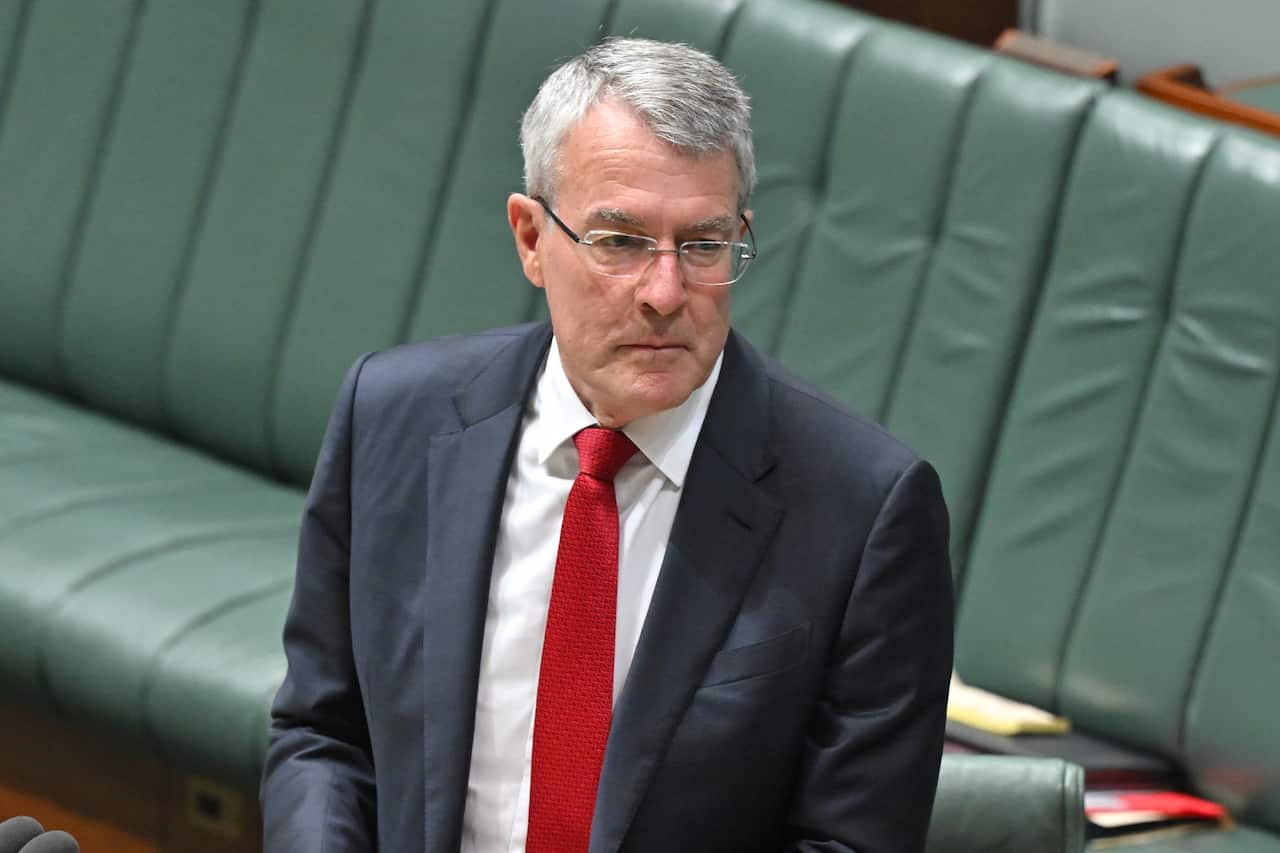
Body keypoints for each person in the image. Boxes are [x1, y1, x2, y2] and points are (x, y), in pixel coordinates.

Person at [262, 37, 953, 853]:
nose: (665, 292)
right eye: (620, 242)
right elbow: (324, 732)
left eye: (702, 244)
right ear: (530, 238)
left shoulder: (866, 510)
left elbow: (849, 842)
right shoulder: (392, 419)